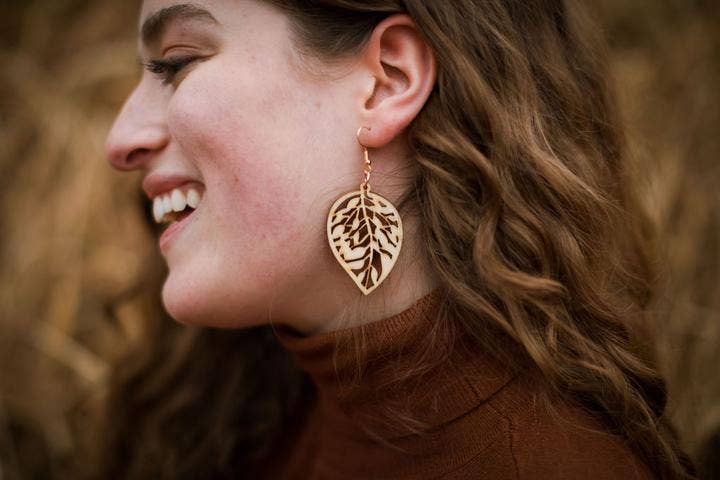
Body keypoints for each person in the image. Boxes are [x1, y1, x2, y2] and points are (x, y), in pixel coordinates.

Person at [99, 0, 694, 478]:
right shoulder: (232, 408)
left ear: (387, 82)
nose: (120, 139)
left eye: (177, 63)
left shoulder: (543, 464)